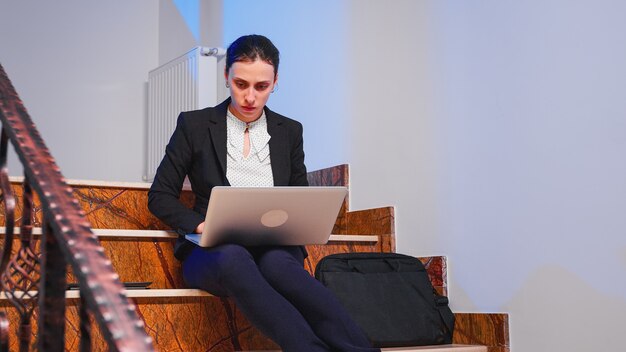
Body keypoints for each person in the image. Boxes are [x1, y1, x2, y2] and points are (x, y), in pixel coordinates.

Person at [148, 34, 378, 352]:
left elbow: (299, 194)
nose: (250, 97)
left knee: (280, 267)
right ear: (226, 76)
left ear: (275, 82)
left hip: (274, 246)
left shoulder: (289, 131)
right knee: (234, 258)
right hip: (213, 252)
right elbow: (160, 195)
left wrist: (301, 221)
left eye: (261, 87)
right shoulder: (195, 125)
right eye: (241, 84)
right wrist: (202, 225)